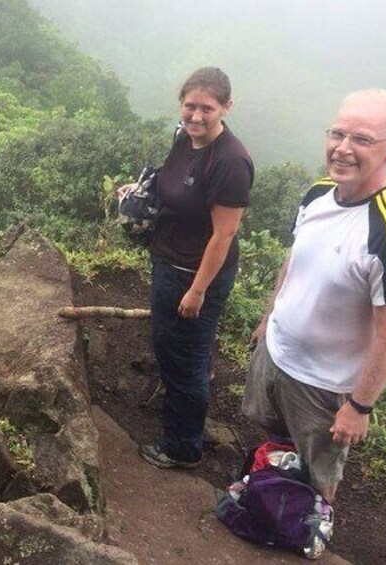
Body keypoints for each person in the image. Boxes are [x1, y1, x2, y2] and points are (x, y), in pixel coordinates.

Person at [243, 89, 386, 504]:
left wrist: (359, 407)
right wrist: (268, 319)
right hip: (277, 351)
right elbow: (295, 259)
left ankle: (312, 526)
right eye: (337, 133)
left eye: (362, 139)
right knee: (272, 434)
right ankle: (270, 497)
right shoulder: (318, 192)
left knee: (320, 472)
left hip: (325, 385)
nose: (343, 149)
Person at [119, 67, 254, 469]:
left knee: (184, 357)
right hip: (168, 260)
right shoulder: (185, 138)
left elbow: (224, 235)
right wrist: (137, 192)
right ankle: (187, 395)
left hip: (195, 274)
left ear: (226, 107)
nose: (195, 116)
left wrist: (197, 290)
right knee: (173, 345)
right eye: (190, 106)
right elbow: (172, 185)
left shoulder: (231, 162)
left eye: (206, 109)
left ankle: (183, 446)